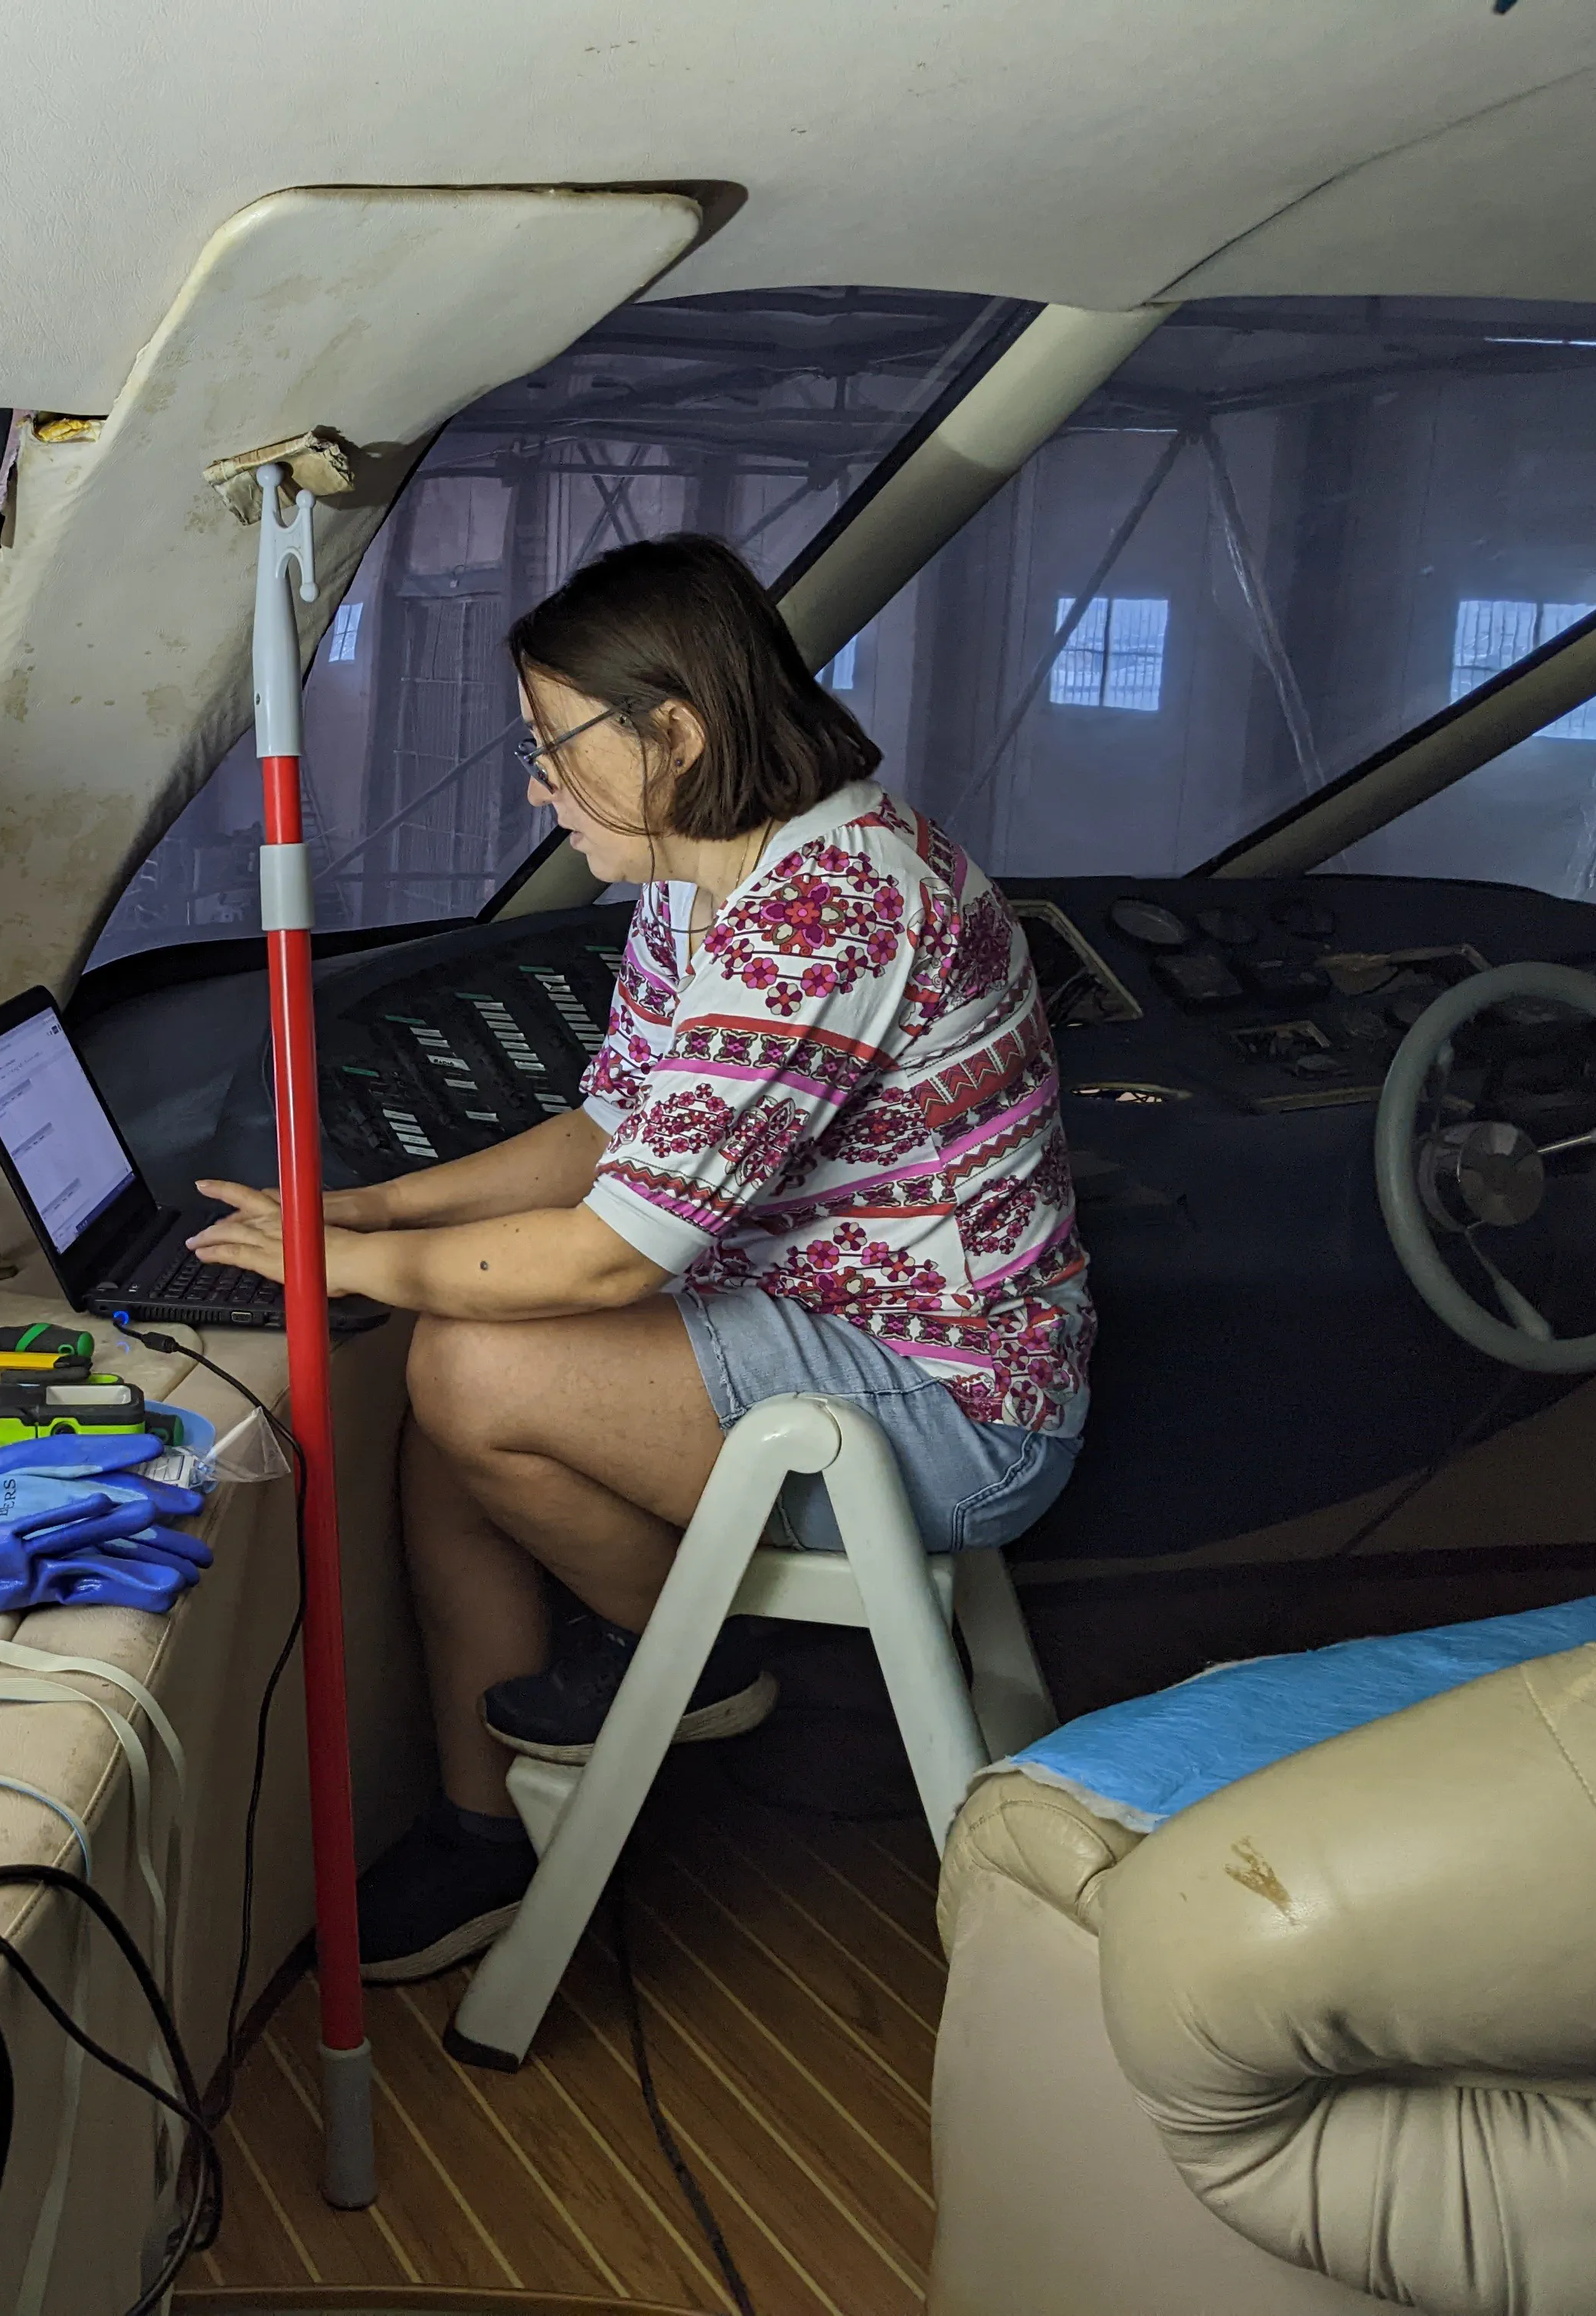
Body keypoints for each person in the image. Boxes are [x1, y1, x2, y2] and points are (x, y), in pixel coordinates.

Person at [186, 532, 1091, 1980]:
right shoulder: (705, 874)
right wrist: (369, 1215)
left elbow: (618, 1257)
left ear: (674, 732)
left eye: (555, 746)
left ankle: (689, 1656)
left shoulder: (834, 901)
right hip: (818, 1323)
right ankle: (489, 1841)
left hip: (951, 1407)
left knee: (471, 1367)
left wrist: (347, 1277)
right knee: (445, 1428)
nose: (535, 784)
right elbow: (610, 1134)